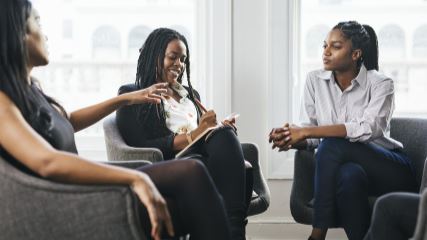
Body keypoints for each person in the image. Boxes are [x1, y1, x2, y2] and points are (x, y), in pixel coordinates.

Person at [0, 1, 232, 239]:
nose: (45, 34)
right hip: (65, 198)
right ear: (19, 33)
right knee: (190, 176)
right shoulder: (2, 102)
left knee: (191, 174)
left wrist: (125, 99)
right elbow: (47, 162)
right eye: (37, 22)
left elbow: (67, 121)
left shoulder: (30, 91)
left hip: (73, 189)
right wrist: (136, 177)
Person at [269, 21, 418, 240]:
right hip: (352, 170)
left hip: (390, 169)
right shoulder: (314, 81)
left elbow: (368, 129)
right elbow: (312, 133)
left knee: (332, 144)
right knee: (349, 175)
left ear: (356, 53)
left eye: (336, 46)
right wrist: (293, 138)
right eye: (324, 45)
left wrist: (308, 132)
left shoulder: (381, 83)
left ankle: (317, 234)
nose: (326, 52)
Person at [116, 28, 248, 239]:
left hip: (198, 152)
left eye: (183, 59)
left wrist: (214, 128)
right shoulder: (133, 95)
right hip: (170, 162)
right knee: (222, 142)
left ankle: (233, 230)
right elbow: (139, 145)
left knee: (225, 134)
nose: (179, 64)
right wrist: (196, 134)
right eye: (173, 57)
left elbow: (199, 132)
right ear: (154, 55)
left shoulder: (190, 95)